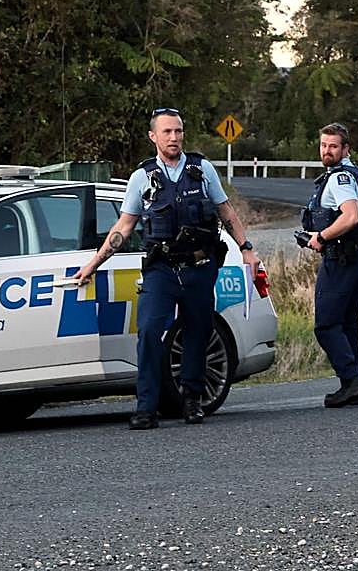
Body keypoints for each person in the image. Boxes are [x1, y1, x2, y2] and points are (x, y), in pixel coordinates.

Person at [75, 108, 260, 430]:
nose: (173, 138)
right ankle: (146, 407)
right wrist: (93, 263)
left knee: (197, 333)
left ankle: (192, 401)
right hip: (161, 269)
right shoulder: (141, 178)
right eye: (167, 132)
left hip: (199, 266)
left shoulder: (201, 169)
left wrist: (246, 249)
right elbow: (125, 225)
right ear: (153, 137)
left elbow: (225, 210)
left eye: (178, 131)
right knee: (148, 331)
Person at [302, 123, 358, 408]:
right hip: (352, 256)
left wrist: (321, 236)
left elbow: (351, 216)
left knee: (326, 324)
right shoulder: (346, 175)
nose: (327, 151)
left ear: (346, 149)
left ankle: (352, 378)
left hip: (342, 258)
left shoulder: (340, 178)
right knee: (345, 323)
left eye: (333, 146)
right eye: (324, 145)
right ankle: (351, 383)